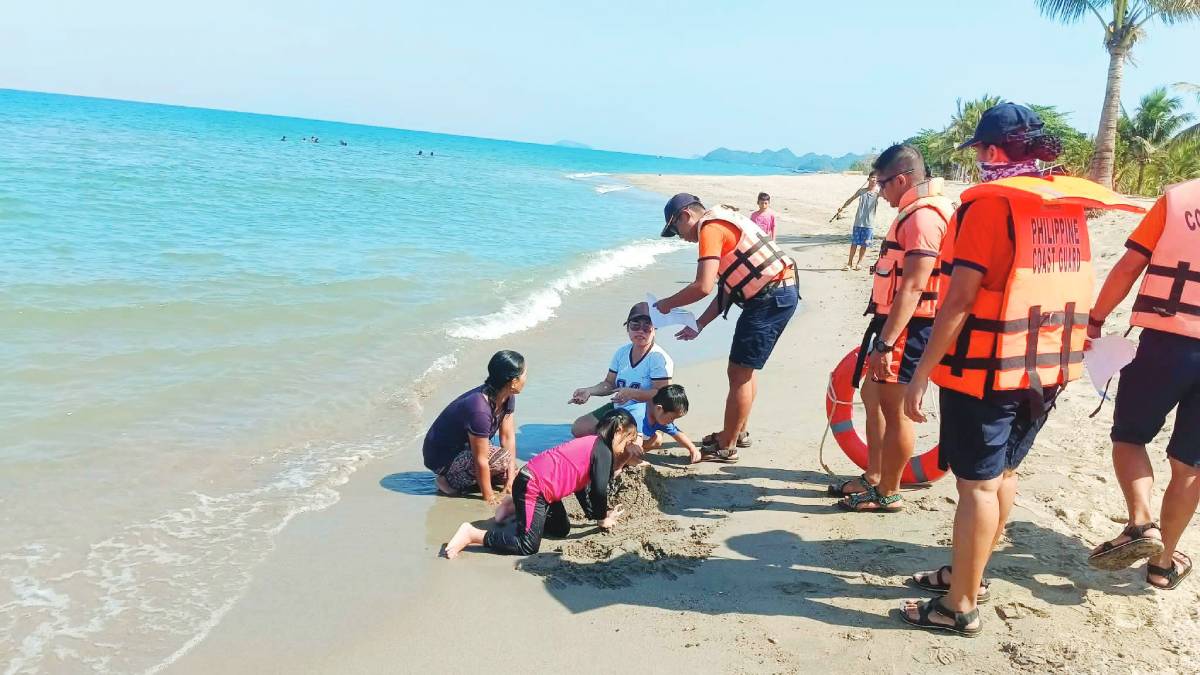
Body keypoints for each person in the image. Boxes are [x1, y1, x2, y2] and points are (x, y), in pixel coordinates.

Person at [896, 103, 1141, 636]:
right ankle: (971, 575)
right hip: (1044, 369)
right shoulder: (1059, 205)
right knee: (1004, 473)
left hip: (987, 372)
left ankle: (959, 605)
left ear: (989, 151)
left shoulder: (988, 206)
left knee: (977, 486)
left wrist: (919, 374)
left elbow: (958, 301)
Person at [1085, 176, 1200, 591]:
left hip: (1167, 342)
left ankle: (1140, 524)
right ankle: (1163, 564)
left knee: (1130, 437)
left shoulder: (1179, 198)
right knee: (1190, 464)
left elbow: (1131, 265)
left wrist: (1096, 318)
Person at [831, 145, 954, 512]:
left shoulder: (923, 218)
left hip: (910, 327)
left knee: (894, 409)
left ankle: (889, 491)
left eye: (883, 184)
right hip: (895, 323)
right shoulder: (917, 211)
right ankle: (874, 475)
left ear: (901, 179)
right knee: (872, 396)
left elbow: (914, 286)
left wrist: (886, 345)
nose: (880, 191)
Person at [653, 194, 799, 462]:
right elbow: (727, 288)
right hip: (776, 293)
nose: (680, 237)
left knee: (738, 372)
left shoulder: (710, 228)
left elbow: (703, 286)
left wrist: (666, 305)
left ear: (686, 216)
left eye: (675, 230)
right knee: (745, 369)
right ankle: (737, 431)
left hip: (770, 297)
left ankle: (726, 444)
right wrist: (699, 324)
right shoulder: (721, 222)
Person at [442, 408, 640, 558]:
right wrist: (602, 518)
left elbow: (582, 487)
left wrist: (594, 514)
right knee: (527, 546)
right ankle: (472, 534)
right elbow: (598, 491)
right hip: (532, 487)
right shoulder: (603, 451)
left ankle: (515, 506)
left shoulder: (592, 442)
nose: (628, 446)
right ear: (619, 430)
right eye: (629, 438)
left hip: (540, 489)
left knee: (561, 530)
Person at [422, 350, 525, 503]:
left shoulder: (507, 396)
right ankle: (445, 480)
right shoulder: (479, 409)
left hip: (468, 448)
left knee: (517, 474)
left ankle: (473, 478)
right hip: (443, 456)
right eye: (524, 374)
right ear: (513, 382)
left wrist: (510, 481)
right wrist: (489, 496)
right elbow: (481, 459)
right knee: (501, 459)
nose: (526, 379)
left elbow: (507, 437)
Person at [569, 302, 673, 437]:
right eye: (635, 326)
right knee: (579, 428)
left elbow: (662, 395)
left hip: (646, 409)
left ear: (654, 330)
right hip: (619, 406)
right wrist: (589, 391)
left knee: (615, 438)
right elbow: (609, 383)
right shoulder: (621, 353)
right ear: (627, 328)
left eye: (647, 327)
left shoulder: (658, 358)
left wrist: (632, 394)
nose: (640, 331)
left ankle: (653, 434)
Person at [633, 384, 701, 464]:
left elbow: (677, 433)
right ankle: (630, 458)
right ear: (659, 409)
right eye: (672, 418)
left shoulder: (659, 417)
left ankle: (634, 455)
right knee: (635, 440)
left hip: (634, 443)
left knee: (657, 439)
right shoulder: (639, 416)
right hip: (621, 442)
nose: (672, 422)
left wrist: (693, 449)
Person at [835, 172, 881, 271]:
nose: (874, 180)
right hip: (858, 222)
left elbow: (889, 193)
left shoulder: (878, 193)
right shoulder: (861, 191)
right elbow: (851, 199)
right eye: (872, 177)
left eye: (876, 178)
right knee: (854, 244)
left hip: (869, 224)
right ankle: (849, 263)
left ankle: (859, 263)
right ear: (868, 179)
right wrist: (842, 207)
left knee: (864, 245)